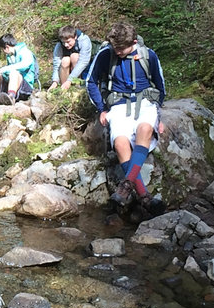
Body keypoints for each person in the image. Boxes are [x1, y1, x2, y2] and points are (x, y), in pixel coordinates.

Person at [86, 20, 166, 213]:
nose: (118, 51)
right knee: (121, 142)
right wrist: (101, 108)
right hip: (119, 105)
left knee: (145, 129)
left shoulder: (149, 55)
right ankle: (144, 196)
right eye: (115, 47)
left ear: (134, 42)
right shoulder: (105, 54)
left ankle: (126, 184)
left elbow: (160, 86)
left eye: (122, 48)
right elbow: (91, 81)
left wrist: (159, 115)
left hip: (145, 103)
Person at [0, 33, 38, 111]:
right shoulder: (10, 56)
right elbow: (8, 71)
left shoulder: (25, 52)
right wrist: (1, 72)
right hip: (12, 82)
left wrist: (3, 70)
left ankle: (11, 98)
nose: (3, 52)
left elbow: (24, 65)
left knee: (14, 73)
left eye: (2, 49)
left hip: (25, 87)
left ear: (7, 47)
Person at [48, 25, 93, 92]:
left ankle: (78, 86)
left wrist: (70, 80)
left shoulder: (84, 40)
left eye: (68, 42)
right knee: (65, 60)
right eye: (63, 42)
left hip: (83, 70)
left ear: (75, 37)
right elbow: (56, 64)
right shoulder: (59, 45)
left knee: (74, 56)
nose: (66, 45)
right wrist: (55, 81)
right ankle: (64, 88)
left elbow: (83, 62)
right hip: (67, 71)